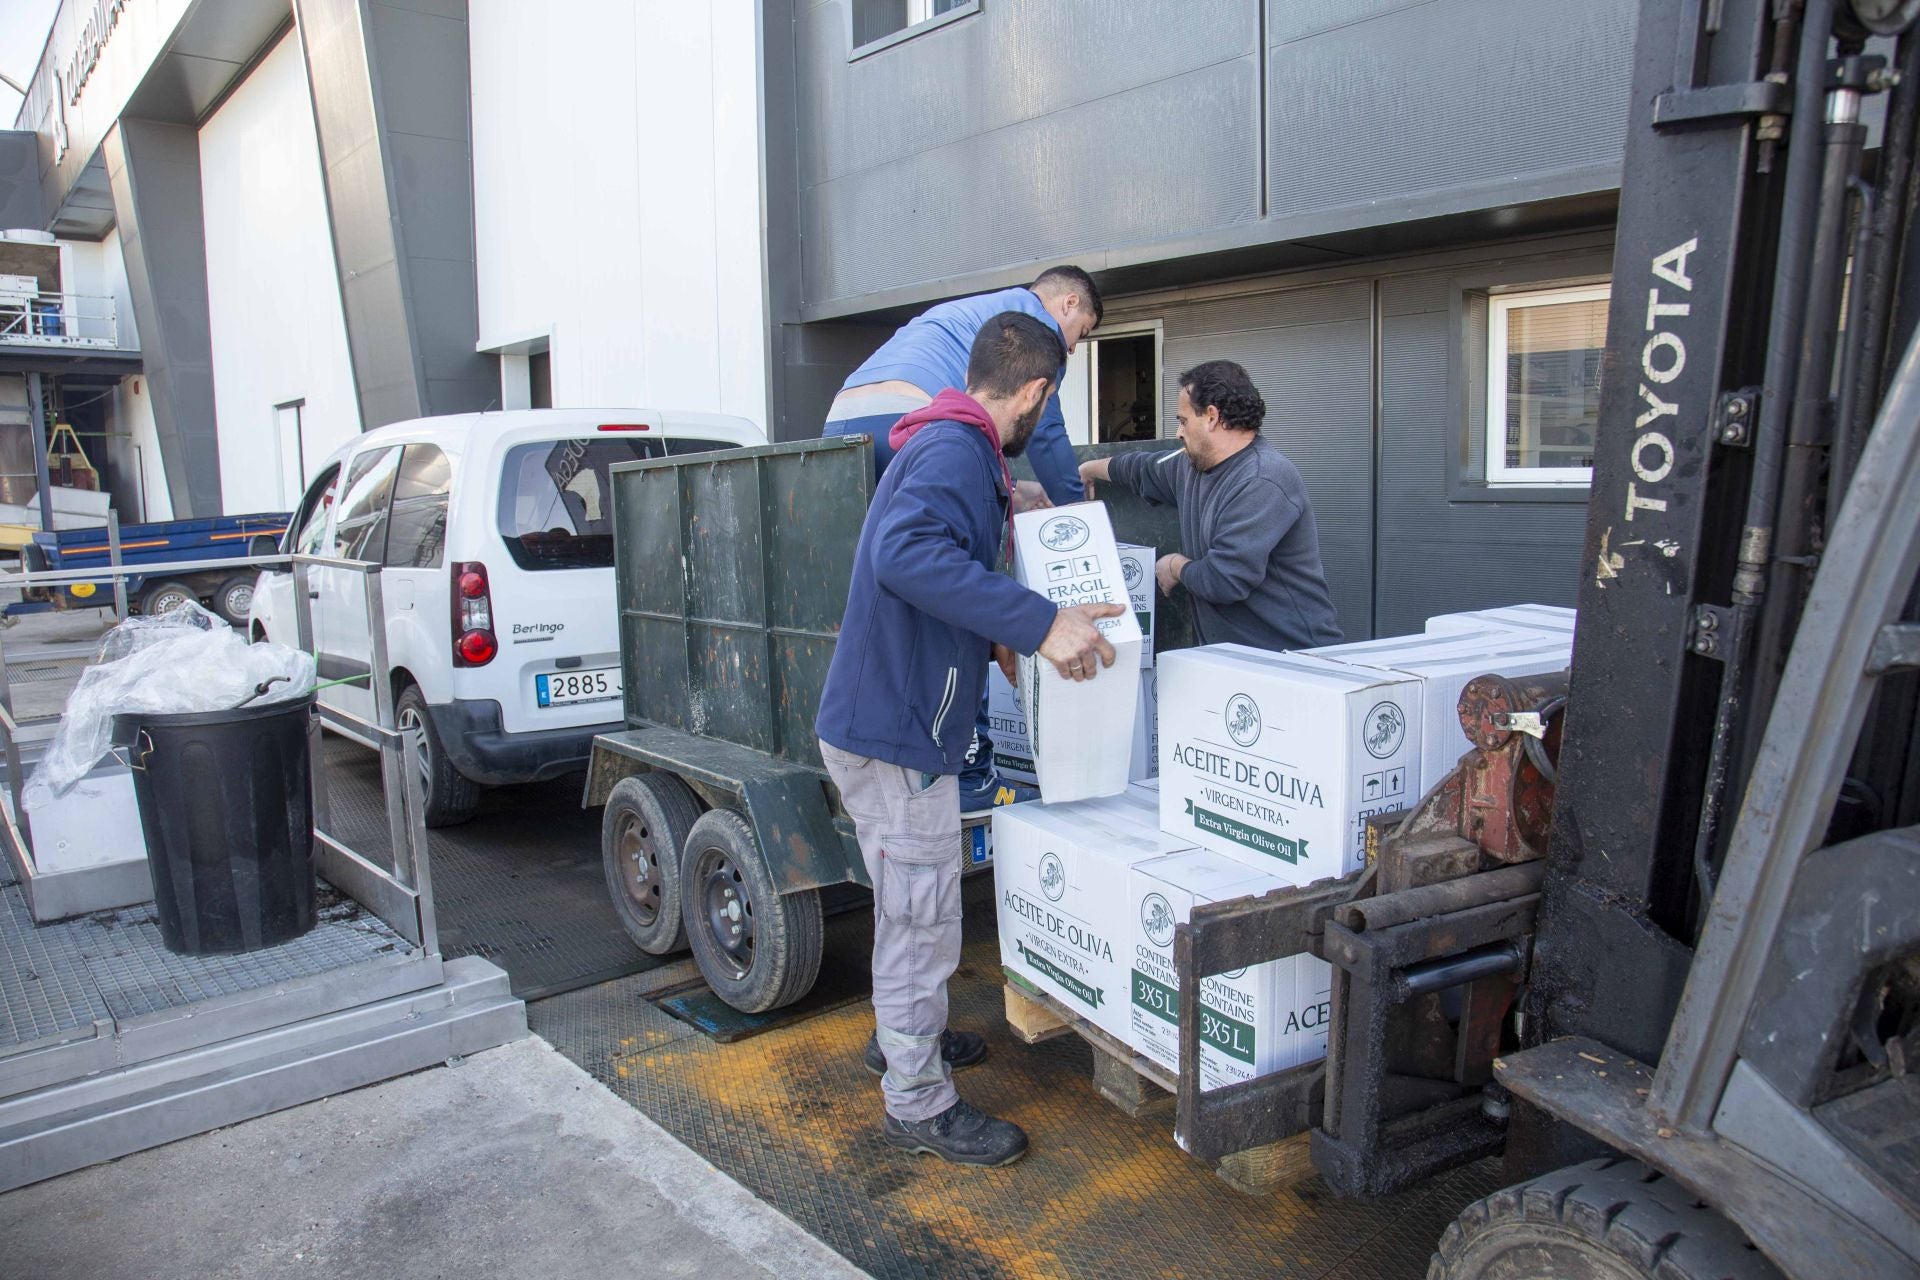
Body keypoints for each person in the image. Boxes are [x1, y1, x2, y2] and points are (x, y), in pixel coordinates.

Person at [816, 312, 1123, 1167]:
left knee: (909, 907)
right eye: (1048, 404)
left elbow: (935, 560)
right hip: (898, 733)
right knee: (922, 920)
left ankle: (901, 1039)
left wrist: (1014, 619)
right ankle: (915, 1102)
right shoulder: (954, 453)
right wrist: (1035, 624)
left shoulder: (956, 448)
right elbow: (907, 556)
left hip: (890, 719)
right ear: (1035, 391)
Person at [823, 266, 1104, 814]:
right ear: (1068, 304)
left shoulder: (976, 313)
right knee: (943, 559)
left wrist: (1011, 490)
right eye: (1083, 331)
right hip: (910, 408)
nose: (1074, 346)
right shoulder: (1027, 333)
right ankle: (972, 768)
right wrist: (1077, 515)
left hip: (848, 416)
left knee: (930, 579)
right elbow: (1045, 432)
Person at [1079, 359, 1342, 652]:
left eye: (1183, 420)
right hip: (1231, 658)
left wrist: (1175, 566)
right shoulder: (1190, 466)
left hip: (1289, 659)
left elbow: (1225, 579)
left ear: (1212, 417)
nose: (1179, 433)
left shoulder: (1262, 479)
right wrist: (1090, 468)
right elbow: (1141, 469)